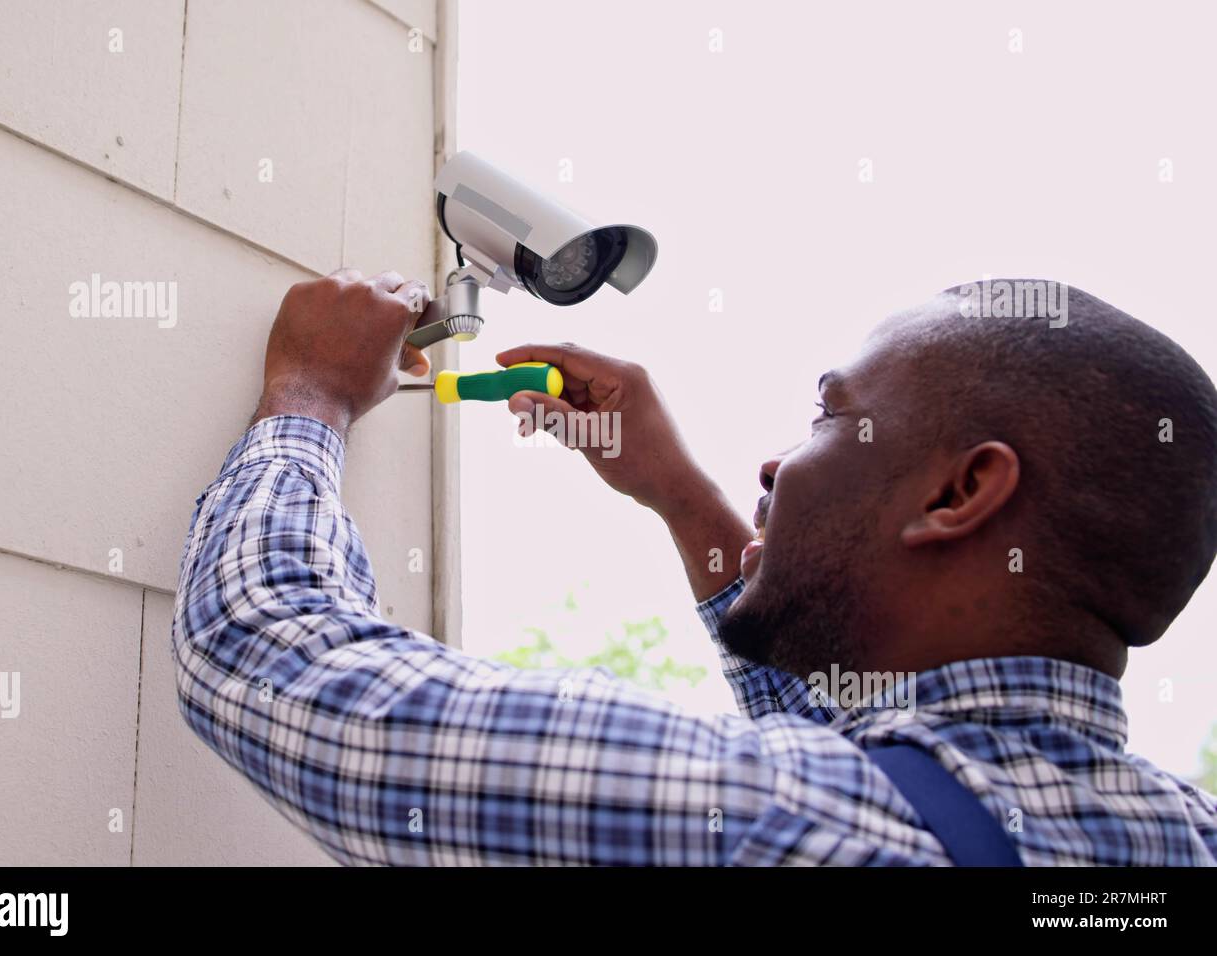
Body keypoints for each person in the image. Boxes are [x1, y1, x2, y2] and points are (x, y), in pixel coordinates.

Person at [172, 269, 1217, 865]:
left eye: (828, 416)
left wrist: (309, 394)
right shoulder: (1168, 838)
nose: (774, 459)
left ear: (958, 494)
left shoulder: (778, 818)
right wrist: (680, 497)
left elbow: (270, 654)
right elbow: (872, 742)